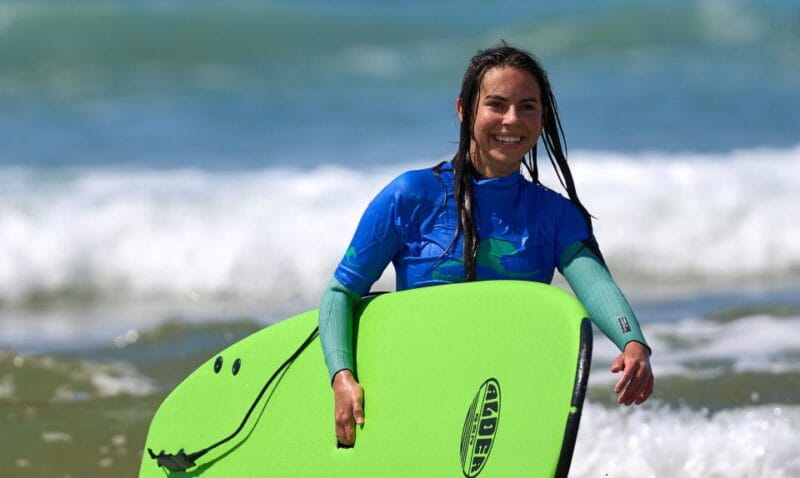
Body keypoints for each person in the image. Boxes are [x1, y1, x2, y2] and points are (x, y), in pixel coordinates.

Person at [319, 42, 654, 447]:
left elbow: (595, 285)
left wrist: (632, 342)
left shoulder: (554, 216)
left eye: (527, 106)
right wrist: (342, 377)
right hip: (416, 398)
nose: (512, 120)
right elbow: (341, 293)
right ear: (464, 111)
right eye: (496, 105)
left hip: (501, 405)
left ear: (542, 116)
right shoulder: (410, 196)